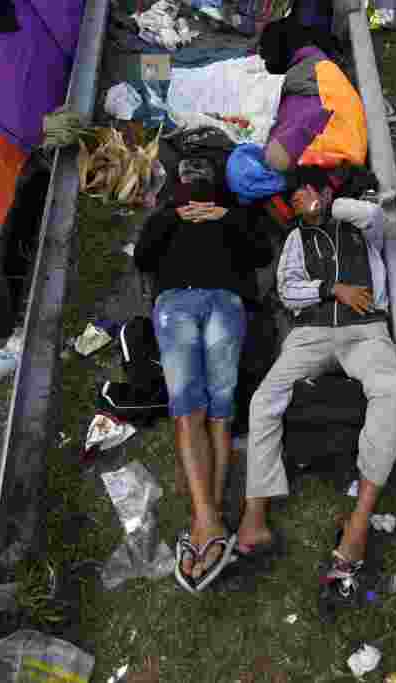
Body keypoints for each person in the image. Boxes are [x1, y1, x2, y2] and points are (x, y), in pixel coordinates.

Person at [236, 182, 396, 597]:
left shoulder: (358, 226)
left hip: (366, 331)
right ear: (291, 211)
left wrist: (332, 206)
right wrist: (331, 289)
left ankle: (358, 520)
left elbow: (373, 216)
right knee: (264, 399)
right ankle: (255, 512)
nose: (303, 200)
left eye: (308, 191)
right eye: (295, 199)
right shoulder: (296, 239)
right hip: (311, 333)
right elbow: (287, 290)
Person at [134, 160, 275, 593]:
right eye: (188, 172)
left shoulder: (233, 213)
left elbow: (262, 253)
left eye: (202, 172)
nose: (195, 178)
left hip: (225, 301)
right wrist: (168, 216)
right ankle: (209, 520)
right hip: (176, 302)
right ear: (179, 184)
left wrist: (227, 217)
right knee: (188, 408)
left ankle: (206, 524)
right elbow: (143, 256)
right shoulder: (166, 215)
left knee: (221, 410)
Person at [258, 17, 367, 172]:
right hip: (350, 154)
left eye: (265, 52)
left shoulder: (301, 80)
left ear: (280, 49)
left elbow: (277, 156)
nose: (262, 58)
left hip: (330, 164)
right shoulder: (322, 68)